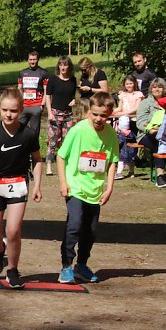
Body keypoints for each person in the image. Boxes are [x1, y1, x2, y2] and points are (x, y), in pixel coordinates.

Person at [0, 88, 43, 289]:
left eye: (13, 110)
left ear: (21, 109)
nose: (8, 114)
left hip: (18, 184)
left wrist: (37, 185)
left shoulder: (28, 134)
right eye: (4, 110)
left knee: (13, 230)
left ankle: (13, 270)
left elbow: (37, 160)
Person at [56, 93, 119, 284]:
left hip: (95, 190)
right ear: (89, 111)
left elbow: (112, 162)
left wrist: (109, 188)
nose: (99, 119)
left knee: (90, 230)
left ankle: (81, 265)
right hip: (75, 186)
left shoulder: (110, 134)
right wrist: (63, 182)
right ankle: (66, 266)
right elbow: (61, 156)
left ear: (109, 114)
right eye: (95, 114)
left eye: (104, 116)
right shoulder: (78, 130)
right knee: (74, 225)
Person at [44, 56, 78, 176]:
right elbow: (47, 96)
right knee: (52, 140)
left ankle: (64, 164)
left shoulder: (73, 80)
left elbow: (73, 95)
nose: (63, 67)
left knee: (67, 141)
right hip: (55, 113)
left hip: (68, 114)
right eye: (61, 65)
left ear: (69, 66)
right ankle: (49, 165)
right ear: (58, 66)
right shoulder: (53, 79)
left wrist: (74, 101)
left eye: (65, 65)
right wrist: (49, 112)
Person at [136, 78, 166, 188]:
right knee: (158, 141)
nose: (157, 89)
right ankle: (160, 176)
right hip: (146, 134)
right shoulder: (145, 103)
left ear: (164, 89)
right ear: (151, 89)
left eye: (159, 87)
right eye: (154, 87)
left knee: (162, 139)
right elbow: (140, 122)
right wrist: (150, 129)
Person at [111, 74, 144, 179]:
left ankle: (130, 170)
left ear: (134, 83)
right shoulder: (122, 95)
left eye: (130, 83)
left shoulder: (139, 94)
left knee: (130, 147)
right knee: (122, 146)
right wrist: (111, 112)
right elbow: (119, 108)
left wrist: (124, 113)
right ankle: (124, 170)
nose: (129, 85)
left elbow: (136, 108)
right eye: (127, 83)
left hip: (133, 122)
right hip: (123, 122)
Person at [17, 51, 50, 134]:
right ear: (28, 60)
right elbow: (19, 89)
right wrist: (18, 103)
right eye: (30, 59)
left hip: (36, 106)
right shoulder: (22, 73)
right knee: (18, 130)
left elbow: (46, 90)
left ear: (38, 60)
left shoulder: (44, 73)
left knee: (34, 133)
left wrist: (42, 105)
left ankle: (34, 147)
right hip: (23, 106)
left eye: (34, 59)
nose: (32, 62)